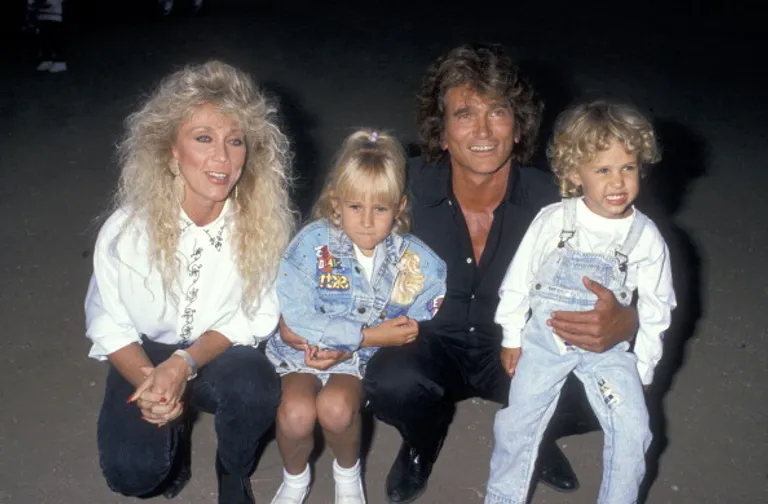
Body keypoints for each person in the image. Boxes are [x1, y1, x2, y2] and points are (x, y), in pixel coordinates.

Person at [357, 43, 643, 503]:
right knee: (391, 384)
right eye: (465, 113)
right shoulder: (400, 187)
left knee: (606, 390)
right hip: (424, 340)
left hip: (520, 347)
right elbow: (329, 247)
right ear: (442, 130)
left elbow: (644, 261)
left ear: (519, 125)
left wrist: (625, 319)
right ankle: (422, 441)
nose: (484, 130)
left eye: (499, 112)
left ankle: (533, 434)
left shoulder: (562, 202)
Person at [83, 60, 295, 504]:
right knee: (134, 475)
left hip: (214, 351)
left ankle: (232, 469)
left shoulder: (262, 227)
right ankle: (172, 443)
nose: (222, 158)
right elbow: (109, 323)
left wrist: (183, 365)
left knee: (256, 384)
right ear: (171, 150)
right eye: (204, 139)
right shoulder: (126, 231)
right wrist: (154, 385)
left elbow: (255, 314)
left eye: (235, 141)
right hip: (142, 352)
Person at [485, 101, 677, 504]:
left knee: (634, 428)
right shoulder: (554, 220)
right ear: (575, 173)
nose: (618, 182)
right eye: (603, 170)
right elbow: (519, 279)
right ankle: (502, 497)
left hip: (608, 351)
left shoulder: (645, 237)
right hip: (545, 340)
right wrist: (512, 335)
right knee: (517, 423)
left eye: (628, 167)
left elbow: (658, 307)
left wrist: (643, 366)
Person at [266, 129, 447, 504]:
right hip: (302, 352)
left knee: (335, 408)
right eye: (355, 207)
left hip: (359, 361)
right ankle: (295, 479)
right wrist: (364, 335)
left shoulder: (413, 259)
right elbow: (295, 313)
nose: (367, 221)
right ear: (336, 204)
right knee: (297, 413)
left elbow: (429, 301)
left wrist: (361, 346)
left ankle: (348, 475)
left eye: (380, 209)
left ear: (398, 208)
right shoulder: (310, 245)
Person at [27, 0, 67, 73]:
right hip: (42, 16)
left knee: (56, 38)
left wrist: (49, 3)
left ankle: (60, 61)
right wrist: (32, 3)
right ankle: (47, 59)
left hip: (55, 15)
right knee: (44, 38)